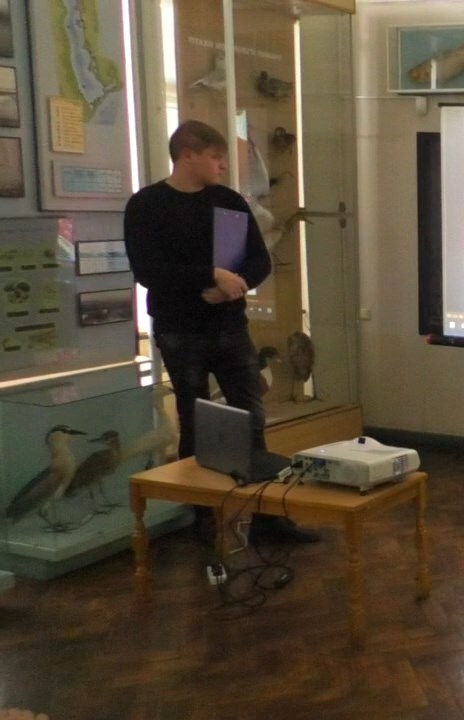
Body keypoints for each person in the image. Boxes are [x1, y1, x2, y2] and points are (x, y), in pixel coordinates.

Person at [124, 120, 319, 545]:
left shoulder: (227, 201)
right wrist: (209, 277)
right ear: (187, 155)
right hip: (180, 330)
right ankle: (204, 518)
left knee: (252, 417)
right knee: (195, 421)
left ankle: (268, 517)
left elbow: (258, 260)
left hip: (230, 326)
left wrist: (235, 284)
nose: (223, 166)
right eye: (215, 157)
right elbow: (148, 271)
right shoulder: (147, 205)